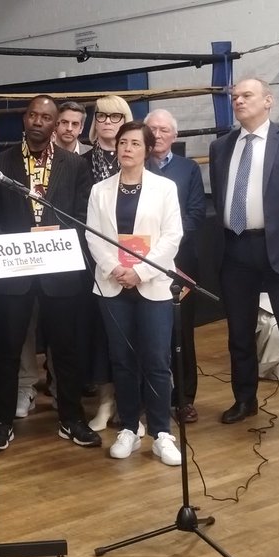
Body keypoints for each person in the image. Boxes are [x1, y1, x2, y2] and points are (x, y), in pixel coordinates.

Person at [0, 95, 98, 452]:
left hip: (59, 270)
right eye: (32, 115)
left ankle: (71, 418)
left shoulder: (74, 165)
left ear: (55, 123)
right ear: (24, 119)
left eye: (46, 117)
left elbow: (82, 215)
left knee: (66, 349)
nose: (38, 121)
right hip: (15, 271)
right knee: (7, 350)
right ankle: (1, 422)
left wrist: (56, 241)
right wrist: (15, 245)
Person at [209, 78, 279, 434]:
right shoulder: (221, 146)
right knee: (239, 333)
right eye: (235, 97)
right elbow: (219, 194)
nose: (239, 101)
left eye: (247, 95)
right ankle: (245, 399)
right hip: (236, 247)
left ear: (268, 100)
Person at [85, 121, 183, 465]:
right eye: (122, 143)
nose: (126, 148)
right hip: (112, 285)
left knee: (156, 360)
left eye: (135, 144)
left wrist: (140, 272)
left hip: (151, 285)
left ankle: (162, 433)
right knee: (122, 360)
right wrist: (116, 269)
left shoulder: (165, 188)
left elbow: (172, 237)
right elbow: (94, 236)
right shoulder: (100, 190)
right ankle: (128, 427)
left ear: (147, 150)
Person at [146, 109, 206, 423]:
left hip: (180, 263)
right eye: (152, 129)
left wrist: (164, 243)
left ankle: (184, 399)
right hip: (140, 263)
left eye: (164, 129)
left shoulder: (188, 169)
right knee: (147, 331)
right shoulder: (134, 166)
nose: (158, 134)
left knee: (181, 332)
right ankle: (149, 398)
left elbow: (196, 213)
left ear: (175, 136)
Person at [84, 94, 135, 432]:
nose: (106, 122)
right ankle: (105, 402)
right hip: (98, 263)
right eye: (101, 116)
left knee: (136, 337)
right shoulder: (79, 162)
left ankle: (133, 405)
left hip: (138, 265)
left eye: (114, 118)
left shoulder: (137, 159)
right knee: (101, 337)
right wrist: (107, 261)